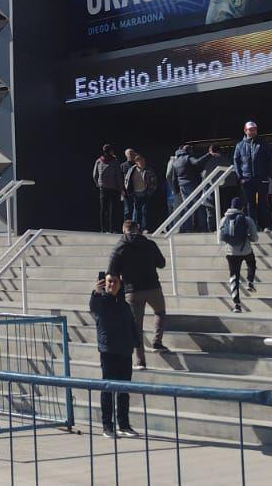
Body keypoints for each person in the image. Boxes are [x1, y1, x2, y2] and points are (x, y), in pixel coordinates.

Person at [106, 220, 167, 368]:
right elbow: (162, 263)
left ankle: (140, 361)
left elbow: (111, 271)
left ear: (123, 230)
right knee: (159, 312)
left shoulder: (119, 247)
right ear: (137, 229)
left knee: (136, 327)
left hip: (132, 291)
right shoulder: (149, 244)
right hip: (153, 287)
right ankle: (157, 342)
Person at [88, 272, 138, 438]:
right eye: (109, 282)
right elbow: (94, 307)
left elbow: (132, 325)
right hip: (108, 351)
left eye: (115, 282)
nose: (112, 285)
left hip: (125, 351)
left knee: (124, 390)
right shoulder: (101, 302)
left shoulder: (124, 304)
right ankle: (107, 426)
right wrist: (95, 292)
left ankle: (123, 424)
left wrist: (135, 344)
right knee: (108, 389)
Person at [218, 198, 260, 313]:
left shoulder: (223, 219)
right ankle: (250, 281)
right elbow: (255, 238)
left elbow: (220, 238)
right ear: (242, 208)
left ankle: (237, 305)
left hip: (231, 253)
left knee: (234, 277)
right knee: (252, 262)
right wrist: (247, 238)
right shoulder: (247, 220)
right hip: (245, 250)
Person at [233, 121, 272, 228]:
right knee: (249, 204)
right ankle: (252, 227)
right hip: (247, 179)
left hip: (262, 178)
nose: (252, 131)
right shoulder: (240, 145)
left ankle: (266, 227)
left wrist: (269, 176)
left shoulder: (263, 144)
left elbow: (270, 160)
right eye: (250, 129)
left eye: (254, 129)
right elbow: (236, 161)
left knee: (263, 203)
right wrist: (240, 177)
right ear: (245, 130)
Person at [165, 145, 201, 231]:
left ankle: (186, 228)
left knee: (185, 207)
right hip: (177, 190)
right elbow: (169, 175)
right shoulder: (175, 160)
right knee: (179, 209)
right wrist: (174, 188)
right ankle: (177, 229)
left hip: (179, 188)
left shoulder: (178, 159)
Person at [123, 153, 161, 233]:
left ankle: (144, 228)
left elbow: (154, 182)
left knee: (145, 211)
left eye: (144, 161)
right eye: (141, 161)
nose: (143, 162)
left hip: (145, 193)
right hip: (135, 194)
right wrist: (129, 191)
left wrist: (150, 192)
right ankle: (135, 228)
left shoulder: (149, 170)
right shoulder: (131, 170)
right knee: (136, 212)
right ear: (137, 162)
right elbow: (126, 181)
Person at [93, 146, 124, 234]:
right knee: (113, 210)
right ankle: (112, 229)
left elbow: (94, 175)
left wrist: (99, 184)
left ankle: (103, 229)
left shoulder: (98, 161)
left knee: (103, 209)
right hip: (114, 189)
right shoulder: (115, 161)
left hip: (103, 188)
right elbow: (118, 176)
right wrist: (121, 188)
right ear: (110, 151)